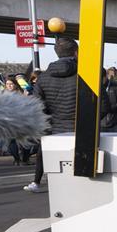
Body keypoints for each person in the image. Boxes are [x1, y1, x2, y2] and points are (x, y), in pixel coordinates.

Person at [26, 37, 79, 193]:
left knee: (59, 178)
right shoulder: (85, 74)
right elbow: (102, 105)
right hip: (81, 129)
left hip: (55, 131)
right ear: (76, 53)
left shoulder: (42, 78)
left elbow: (36, 108)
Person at [100, 68, 117, 133]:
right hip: (101, 125)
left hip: (116, 124)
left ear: (105, 77)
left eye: (100, 79)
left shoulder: (116, 86)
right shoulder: (95, 88)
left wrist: (108, 108)